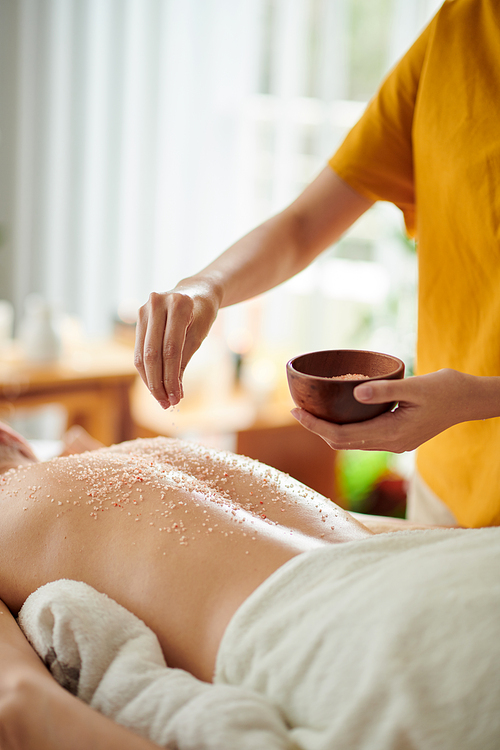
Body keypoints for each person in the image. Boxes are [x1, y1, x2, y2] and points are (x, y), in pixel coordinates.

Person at [134, 0, 500, 530]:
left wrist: (483, 399)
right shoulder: (459, 31)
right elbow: (304, 224)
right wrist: (206, 287)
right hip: (449, 487)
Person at [0, 421, 499, 750]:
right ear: (14, 436)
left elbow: (20, 705)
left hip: (357, 643)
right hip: (461, 566)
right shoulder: (154, 451)